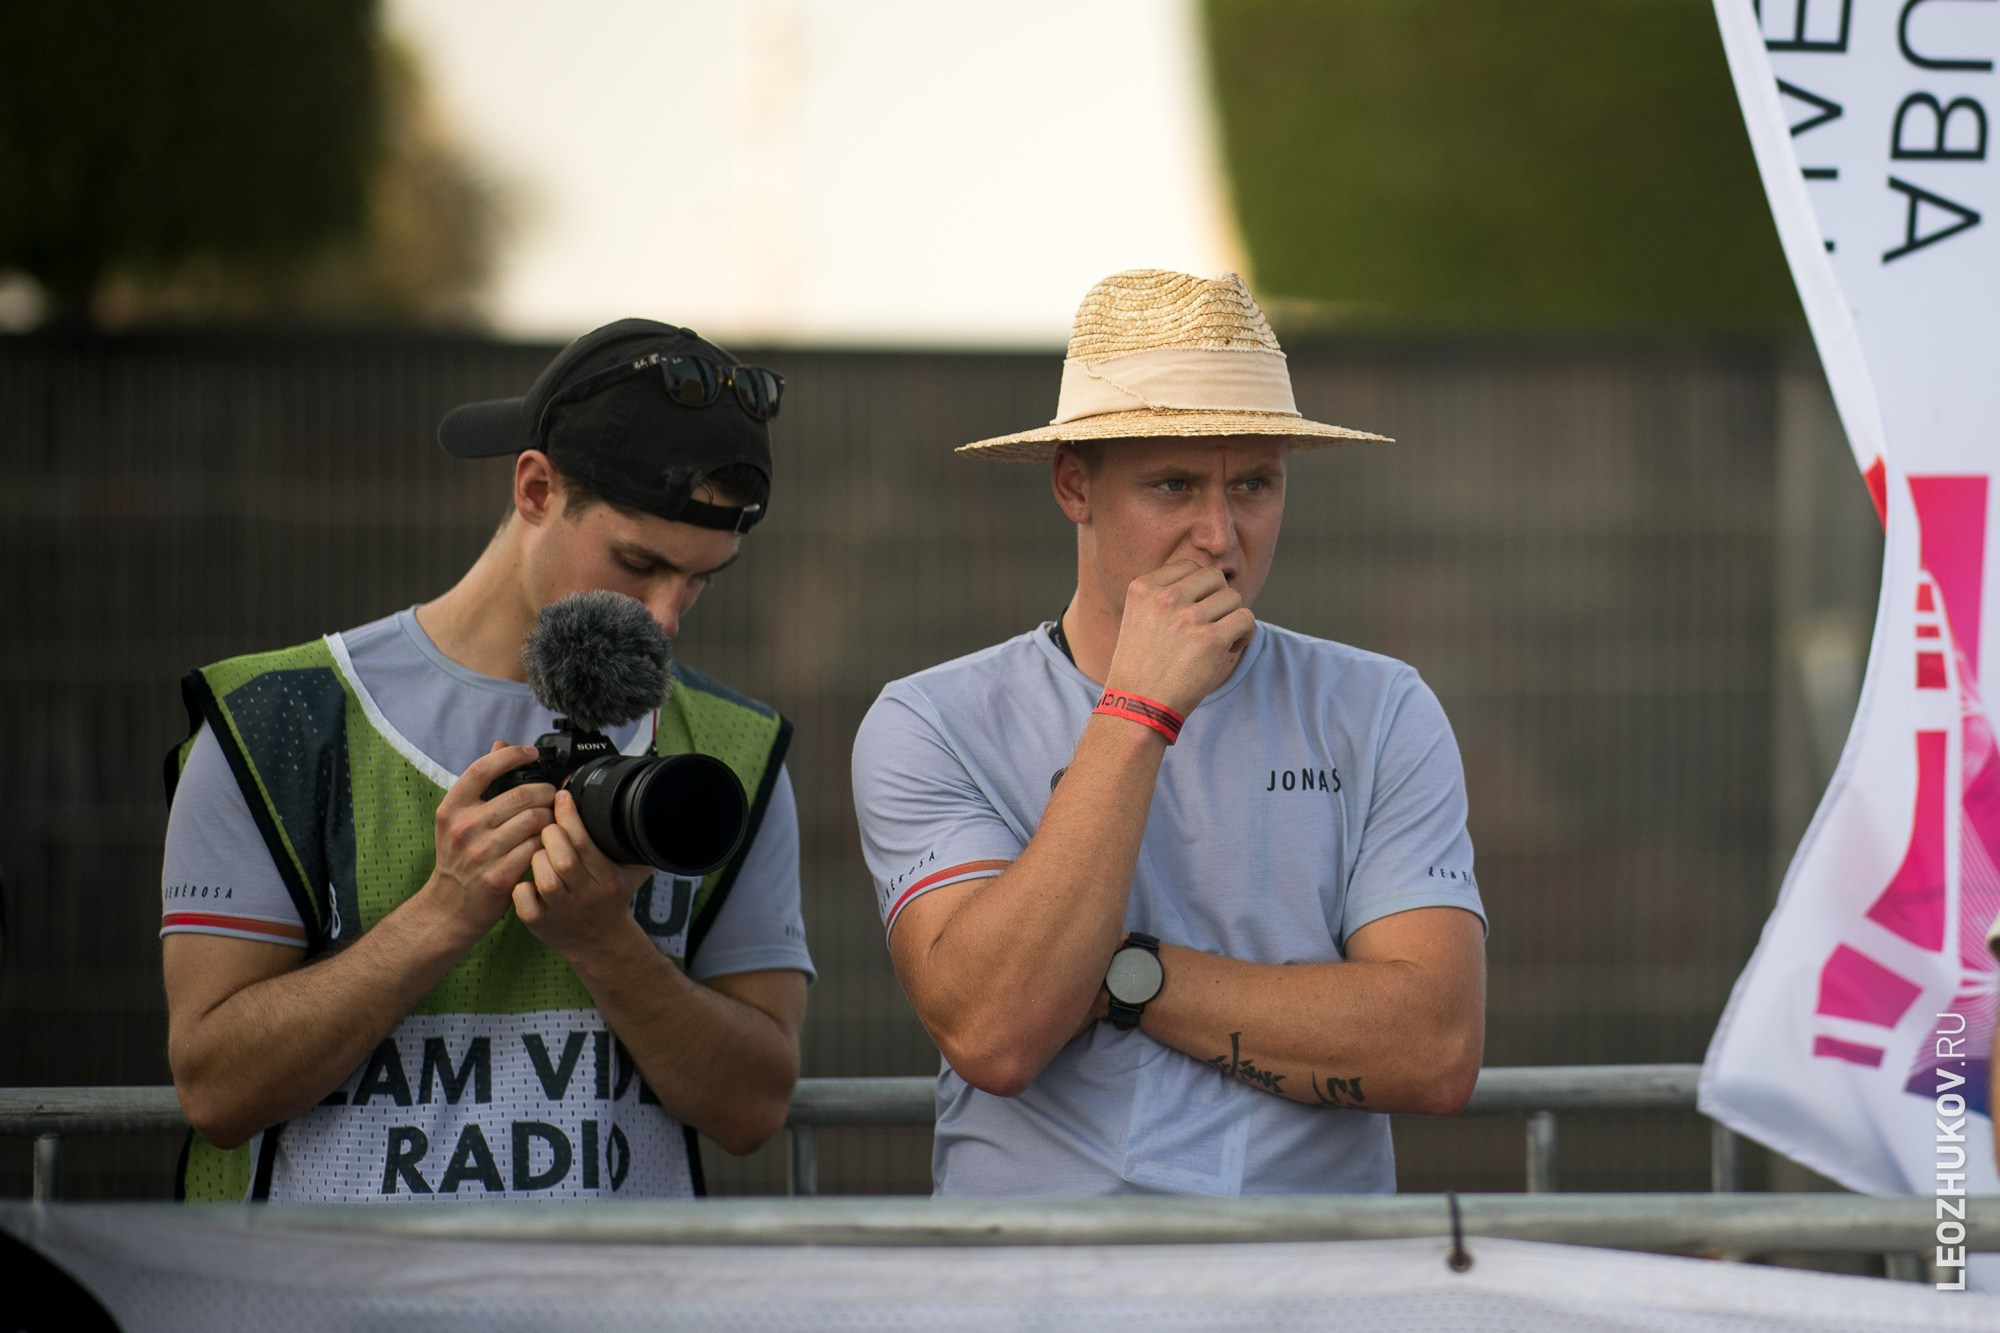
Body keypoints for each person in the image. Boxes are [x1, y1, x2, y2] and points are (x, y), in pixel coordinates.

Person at [852, 270, 1487, 1196]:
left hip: (1305, 1293)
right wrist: (1137, 711)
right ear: (1074, 484)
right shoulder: (931, 720)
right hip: (1039, 1293)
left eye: (1256, 484)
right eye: (1174, 483)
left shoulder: (1379, 705)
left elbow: (1434, 1048)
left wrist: (1118, 976)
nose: (1220, 535)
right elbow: (997, 1030)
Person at [160, 319, 812, 1202]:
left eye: (701, 578)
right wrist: (443, 912)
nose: (664, 616)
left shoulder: (731, 749)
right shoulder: (277, 720)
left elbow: (753, 1106)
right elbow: (215, 1085)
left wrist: (605, 944)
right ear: (537, 487)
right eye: (638, 562)